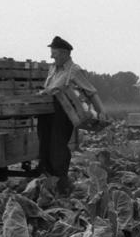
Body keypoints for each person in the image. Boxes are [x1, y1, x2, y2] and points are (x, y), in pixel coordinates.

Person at [38, 35, 106, 194]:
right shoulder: (53, 68)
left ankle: (62, 183)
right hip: (45, 111)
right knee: (44, 144)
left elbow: (91, 92)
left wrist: (102, 111)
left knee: (58, 145)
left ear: (64, 53)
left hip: (63, 111)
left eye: (54, 53)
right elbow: (48, 88)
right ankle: (49, 180)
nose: (51, 56)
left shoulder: (74, 70)